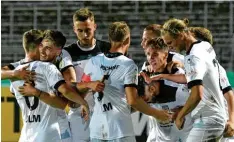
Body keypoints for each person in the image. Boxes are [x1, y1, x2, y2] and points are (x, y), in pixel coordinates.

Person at [83, 21, 172, 142]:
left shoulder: (93, 61)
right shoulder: (128, 64)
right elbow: (133, 101)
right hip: (120, 130)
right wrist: (157, 114)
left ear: (110, 38)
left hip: (97, 129)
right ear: (127, 40)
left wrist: (87, 92)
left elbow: (80, 88)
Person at [10, 29, 89, 142]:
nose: (42, 51)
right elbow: (65, 96)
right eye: (42, 46)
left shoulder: (17, 71)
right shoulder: (48, 68)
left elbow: (13, 91)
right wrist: (84, 100)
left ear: (58, 51)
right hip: (53, 132)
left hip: (27, 134)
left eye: (48, 48)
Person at [161, 18, 229, 141]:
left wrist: (180, 116)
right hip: (217, 116)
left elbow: (197, 94)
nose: (170, 48)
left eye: (170, 43)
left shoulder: (192, 58)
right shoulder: (205, 45)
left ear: (180, 35)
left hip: (208, 119)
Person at [64, 8, 111, 142]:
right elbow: (69, 85)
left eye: (88, 30)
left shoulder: (107, 49)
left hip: (105, 112)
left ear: (94, 27)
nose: (85, 34)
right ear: (74, 29)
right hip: (79, 112)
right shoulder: (68, 53)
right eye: (80, 30)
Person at [140, 38, 192, 142]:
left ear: (165, 55)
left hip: (183, 137)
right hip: (158, 137)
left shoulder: (178, 76)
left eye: (155, 54)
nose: (150, 58)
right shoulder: (145, 76)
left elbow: (200, 99)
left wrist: (181, 111)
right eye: (148, 54)